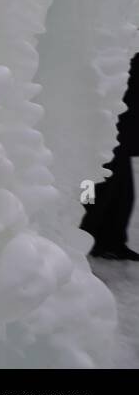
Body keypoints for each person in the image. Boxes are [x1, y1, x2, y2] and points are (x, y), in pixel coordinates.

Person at [83, 52, 139, 260]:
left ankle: (111, 240)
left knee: (121, 194)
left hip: (122, 134)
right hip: (105, 130)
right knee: (90, 186)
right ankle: (82, 238)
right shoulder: (124, 51)